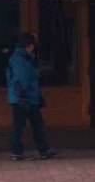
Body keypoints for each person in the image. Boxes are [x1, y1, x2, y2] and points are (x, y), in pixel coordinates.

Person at [6, 33, 57, 161]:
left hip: (25, 97)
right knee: (26, 125)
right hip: (24, 98)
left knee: (32, 124)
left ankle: (42, 150)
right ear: (29, 45)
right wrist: (23, 96)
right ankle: (20, 151)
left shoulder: (22, 58)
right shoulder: (21, 59)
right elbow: (21, 79)